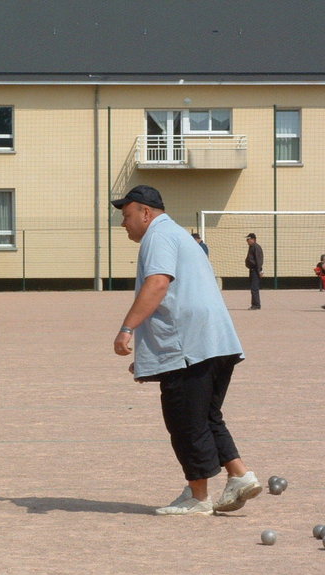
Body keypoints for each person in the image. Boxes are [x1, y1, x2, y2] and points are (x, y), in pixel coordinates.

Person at [111, 185, 261, 516]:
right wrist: (152, 358)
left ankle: (198, 497)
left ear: (146, 213)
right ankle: (240, 476)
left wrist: (127, 329)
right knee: (207, 416)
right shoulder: (178, 235)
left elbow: (158, 284)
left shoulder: (158, 236)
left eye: (127, 215)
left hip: (190, 348)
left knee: (185, 420)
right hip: (216, 341)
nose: (124, 223)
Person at [245, 233, 264, 310]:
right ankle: (255, 304)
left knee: (254, 288)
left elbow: (259, 260)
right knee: (253, 288)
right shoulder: (251, 247)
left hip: (255, 270)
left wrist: (260, 270)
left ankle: (256, 305)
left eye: (248, 239)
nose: (247, 241)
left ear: (253, 239)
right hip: (252, 270)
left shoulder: (256, 247)